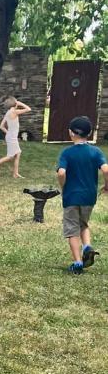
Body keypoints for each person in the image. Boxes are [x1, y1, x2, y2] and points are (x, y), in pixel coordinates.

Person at [56, 115, 108, 274]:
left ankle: (78, 263)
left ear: (71, 132)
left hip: (71, 197)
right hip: (89, 197)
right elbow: (106, 169)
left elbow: (61, 173)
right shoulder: (96, 151)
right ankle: (87, 246)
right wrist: (107, 186)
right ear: (89, 133)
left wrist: (63, 186)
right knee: (83, 224)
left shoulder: (67, 153)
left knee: (72, 230)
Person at [0, 97, 32, 179]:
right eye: (16, 102)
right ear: (15, 104)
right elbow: (28, 109)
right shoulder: (14, 111)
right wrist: (20, 103)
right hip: (12, 137)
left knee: (17, 153)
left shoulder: (8, 112)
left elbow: (1, 126)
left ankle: (15, 173)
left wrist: (9, 134)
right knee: (10, 156)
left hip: (10, 136)